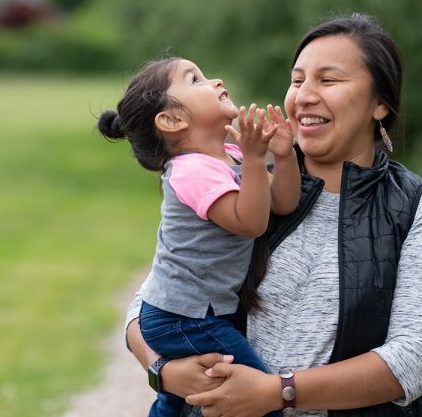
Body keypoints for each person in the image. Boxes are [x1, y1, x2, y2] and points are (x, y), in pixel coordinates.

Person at [125, 14, 422, 417]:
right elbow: (151, 302)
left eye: (328, 80)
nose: (304, 95)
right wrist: (163, 372)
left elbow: (412, 361)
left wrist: (278, 392)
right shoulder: (249, 188)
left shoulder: (420, 210)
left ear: (379, 103)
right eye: (298, 79)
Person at [98, 57, 301, 417]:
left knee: (178, 399)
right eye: (195, 80)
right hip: (181, 317)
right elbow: (249, 222)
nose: (215, 80)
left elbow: (282, 203)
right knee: (257, 392)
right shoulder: (191, 171)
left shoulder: (233, 156)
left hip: (194, 313)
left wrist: (282, 158)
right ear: (172, 120)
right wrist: (256, 161)